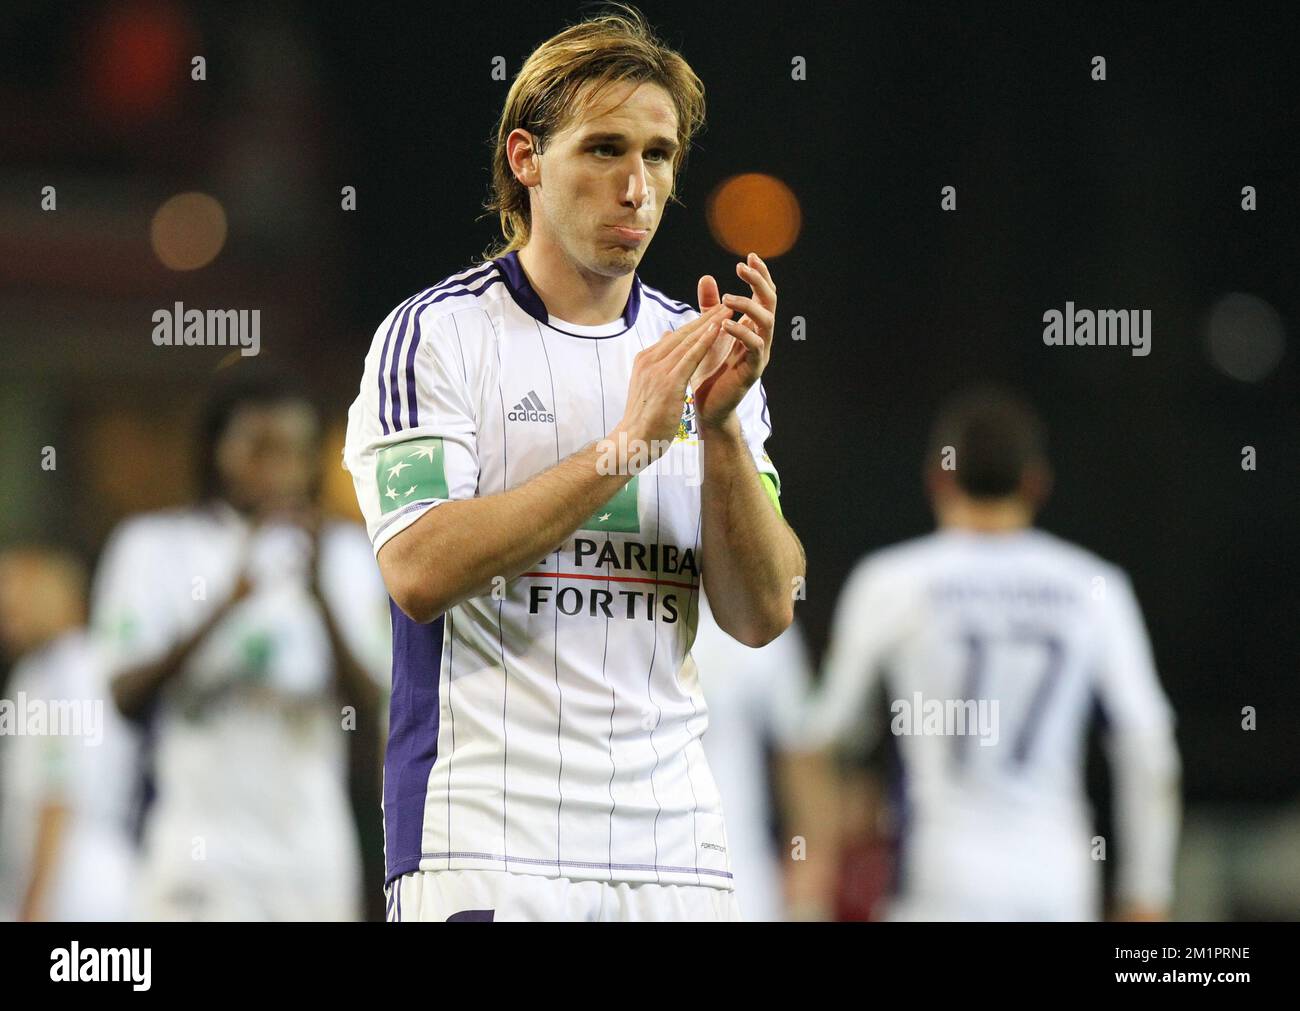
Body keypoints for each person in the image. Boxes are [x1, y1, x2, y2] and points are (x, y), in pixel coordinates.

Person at [343, 6, 804, 922]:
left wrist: (717, 433)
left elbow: (763, 613)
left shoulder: (704, 351)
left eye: (660, 155)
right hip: (482, 841)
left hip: (673, 850)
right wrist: (628, 443)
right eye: (603, 149)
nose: (638, 187)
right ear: (526, 158)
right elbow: (421, 569)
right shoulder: (435, 336)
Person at [802, 388, 1182, 921]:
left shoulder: (892, 581)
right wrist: (1146, 892)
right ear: (1035, 484)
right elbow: (1147, 746)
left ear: (938, 477)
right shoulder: (1095, 587)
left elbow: (823, 734)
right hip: (1056, 879)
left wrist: (818, 860)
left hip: (939, 877)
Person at [91, 373, 390, 920]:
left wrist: (321, 596)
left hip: (308, 849)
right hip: (198, 844)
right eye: (257, 447)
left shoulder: (350, 553)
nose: (276, 467)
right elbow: (125, 696)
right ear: (217, 449)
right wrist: (224, 605)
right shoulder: (154, 545)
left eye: (294, 451)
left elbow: (373, 709)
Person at [0, 547, 140, 921]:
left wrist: (35, 899)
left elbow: (60, 787)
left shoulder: (68, 670)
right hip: (62, 873)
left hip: (75, 880)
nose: (7, 612)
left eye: (18, 598)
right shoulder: (45, 667)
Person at [691, 590, 832, 921]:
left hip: (738, 882)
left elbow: (802, 751)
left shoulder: (754, 608)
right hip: (619, 874)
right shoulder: (597, 604)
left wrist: (808, 862)